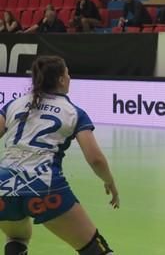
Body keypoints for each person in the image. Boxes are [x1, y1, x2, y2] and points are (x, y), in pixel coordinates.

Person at [0, 56, 118, 254]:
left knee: (17, 238)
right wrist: (109, 182)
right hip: (44, 186)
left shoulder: (15, 104)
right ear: (62, 80)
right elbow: (95, 158)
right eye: (68, 73)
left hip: (3, 184)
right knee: (94, 249)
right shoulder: (73, 112)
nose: (70, 77)